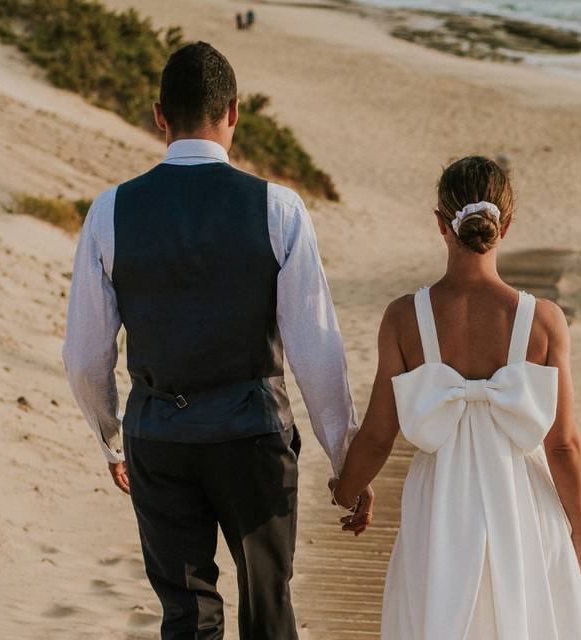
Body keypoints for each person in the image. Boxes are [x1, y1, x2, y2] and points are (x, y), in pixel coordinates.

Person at [62, 42, 370, 639]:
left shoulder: (110, 212)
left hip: (158, 437)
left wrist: (111, 438)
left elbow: (84, 355)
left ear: (159, 117)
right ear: (233, 112)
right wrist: (345, 460)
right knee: (268, 609)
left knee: (186, 615)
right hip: (252, 439)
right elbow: (316, 351)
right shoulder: (278, 209)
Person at [332, 156, 581, 639]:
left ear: (440, 224)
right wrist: (580, 527)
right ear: (507, 225)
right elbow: (564, 445)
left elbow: (377, 435)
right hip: (522, 502)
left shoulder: (403, 318)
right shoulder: (544, 320)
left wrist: (348, 490)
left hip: (439, 504)